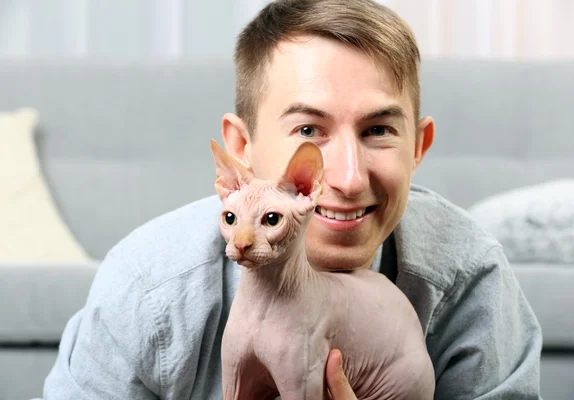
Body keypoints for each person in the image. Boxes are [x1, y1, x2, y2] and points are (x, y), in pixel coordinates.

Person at [43, 0, 543, 399]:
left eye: (379, 130)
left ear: (418, 148)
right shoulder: (147, 291)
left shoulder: (469, 279)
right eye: (308, 130)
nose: (346, 178)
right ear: (241, 149)